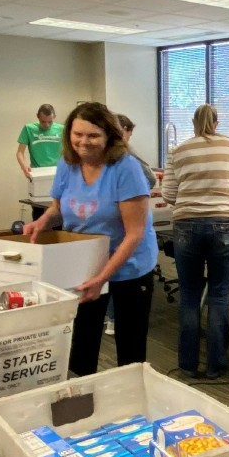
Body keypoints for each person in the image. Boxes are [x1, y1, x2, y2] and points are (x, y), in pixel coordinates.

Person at [20, 102, 156, 376]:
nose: (84, 142)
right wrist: (42, 221)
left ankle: (130, 407)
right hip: (84, 263)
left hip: (129, 265)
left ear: (109, 137)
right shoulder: (67, 165)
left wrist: (103, 277)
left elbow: (134, 234)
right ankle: (83, 404)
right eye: (78, 134)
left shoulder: (125, 168)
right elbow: (58, 209)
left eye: (93, 135)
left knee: (130, 349)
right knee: (81, 342)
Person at [160, 103, 229, 379]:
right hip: (224, 221)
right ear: (217, 122)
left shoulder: (179, 150)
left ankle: (188, 364)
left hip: (186, 223)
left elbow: (169, 193)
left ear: (194, 123)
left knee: (189, 295)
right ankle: (216, 365)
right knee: (219, 294)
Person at [105, 113, 157, 339]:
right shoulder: (128, 160)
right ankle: (114, 318)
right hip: (127, 237)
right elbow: (150, 178)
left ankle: (112, 318)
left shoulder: (121, 160)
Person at [17, 103, 64, 220]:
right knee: (38, 211)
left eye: (50, 122)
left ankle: (56, 236)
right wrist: (24, 167)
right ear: (37, 117)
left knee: (57, 211)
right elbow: (19, 153)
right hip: (38, 174)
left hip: (57, 174)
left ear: (54, 117)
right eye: (43, 122)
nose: (46, 125)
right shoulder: (29, 129)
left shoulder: (62, 130)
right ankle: (38, 237)